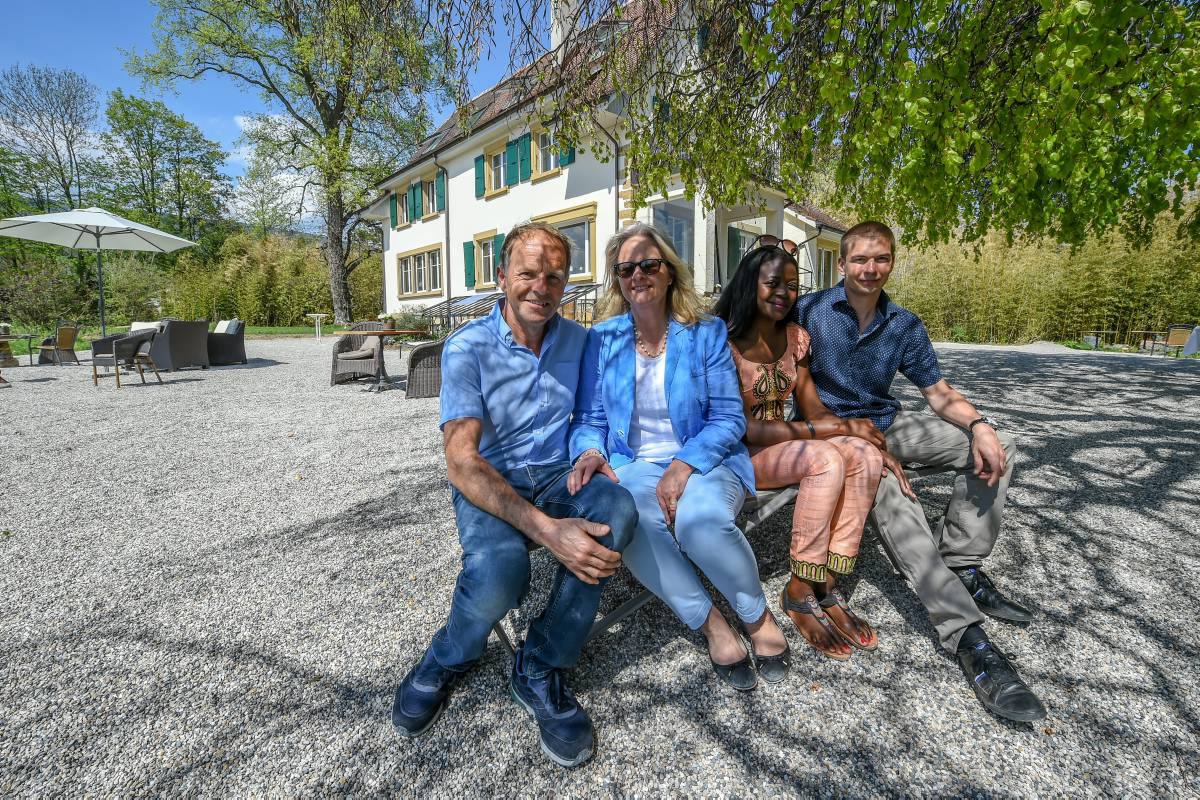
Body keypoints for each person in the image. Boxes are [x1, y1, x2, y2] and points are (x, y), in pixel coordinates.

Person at [391, 222, 637, 767]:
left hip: (556, 473)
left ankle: (542, 663)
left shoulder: (579, 340)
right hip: (492, 478)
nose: (541, 287)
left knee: (616, 510)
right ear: (501, 277)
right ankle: (451, 653)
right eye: (527, 273)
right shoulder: (468, 347)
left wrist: (591, 451)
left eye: (554, 276)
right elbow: (461, 461)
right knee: (502, 570)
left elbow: (591, 416)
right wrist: (548, 531)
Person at [792, 220, 1046, 722]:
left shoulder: (904, 324)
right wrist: (847, 436)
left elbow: (937, 392)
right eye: (860, 259)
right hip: (835, 435)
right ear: (841, 263)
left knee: (1000, 446)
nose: (870, 268)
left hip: (889, 423)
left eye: (881, 258)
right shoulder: (809, 312)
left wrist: (979, 425)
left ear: (891, 262)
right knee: (895, 499)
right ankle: (968, 638)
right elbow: (785, 377)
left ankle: (962, 564)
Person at [568, 222, 790, 691]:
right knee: (630, 520)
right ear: (617, 280)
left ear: (670, 273)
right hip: (632, 464)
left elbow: (729, 418)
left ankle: (755, 616)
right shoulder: (602, 339)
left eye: (649, 264)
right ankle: (712, 624)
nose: (638, 275)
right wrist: (589, 450)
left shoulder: (705, 333)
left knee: (700, 519)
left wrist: (683, 465)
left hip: (704, 458)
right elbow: (589, 417)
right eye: (626, 268)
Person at [714, 239, 917, 660]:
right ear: (750, 285)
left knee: (862, 456)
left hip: (785, 443)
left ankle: (827, 581)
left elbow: (811, 406)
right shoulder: (722, 341)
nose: (785, 293)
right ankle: (799, 587)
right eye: (773, 283)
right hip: (739, 452)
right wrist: (832, 428)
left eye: (793, 284)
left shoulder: (795, 338)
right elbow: (742, 428)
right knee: (824, 457)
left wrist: (862, 437)